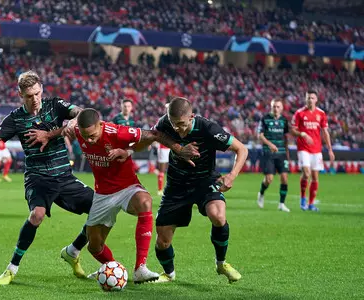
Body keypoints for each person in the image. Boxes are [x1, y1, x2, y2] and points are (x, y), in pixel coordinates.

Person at [0, 70, 93, 285]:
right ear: (20, 94)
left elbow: (83, 113)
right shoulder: (15, 119)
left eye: (38, 94)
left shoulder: (56, 105)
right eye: (29, 96)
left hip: (64, 176)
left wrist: (71, 123)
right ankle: (12, 268)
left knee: (100, 210)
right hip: (38, 177)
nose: (35, 99)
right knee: (36, 215)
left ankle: (73, 250)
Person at [130, 97, 248, 284]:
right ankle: (169, 274)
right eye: (174, 124)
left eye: (182, 124)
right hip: (177, 184)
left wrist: (231, 175)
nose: (177, 129)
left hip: (205, 180)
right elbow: (153, 135)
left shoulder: (208, 128)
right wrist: (177, 148)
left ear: (192, 117)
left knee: (218, 216)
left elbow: (241, 149)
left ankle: (221, 263)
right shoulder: (165, 123)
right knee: (162, 241)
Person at [74, 108, 199, 283]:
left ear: (100, 125)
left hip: (127, 187)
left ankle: (140, 268)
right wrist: (49, 134)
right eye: (85, 136)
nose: (89, 140)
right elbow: (64, 127)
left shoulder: (118, 132)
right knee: (94, 246)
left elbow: (154, 134)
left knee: (145, 201)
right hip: (102, 193)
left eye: (92, 135)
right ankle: (113, 269)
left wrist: (178, 149)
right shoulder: (76, 130)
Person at [291, 90, 335, 211]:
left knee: (315, 177)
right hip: (303, 148)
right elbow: (292, 130)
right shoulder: (299, 113)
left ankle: (310, 204)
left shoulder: (321, 113)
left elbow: (325, 132)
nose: (310, 100)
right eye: (308, 98)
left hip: (316, 149)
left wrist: (330, 149)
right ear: (305, 99)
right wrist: (302, 134)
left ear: (316, 100)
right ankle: (302, 199)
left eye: (312, 98)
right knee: (306, 173)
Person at [256, 98, 291, 212]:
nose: (276, 109)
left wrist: (287, 152)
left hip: (281, 153)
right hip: (268, 152)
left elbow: (285, 137)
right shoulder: (265, 119)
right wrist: (270, 145)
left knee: (284, 178)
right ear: (271, 107)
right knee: (269, 179)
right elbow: (260, 136)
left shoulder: (284, 120)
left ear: (282, 108)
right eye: (274, 106)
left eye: (278, 107)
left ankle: (281, 204)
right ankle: (261, 193)